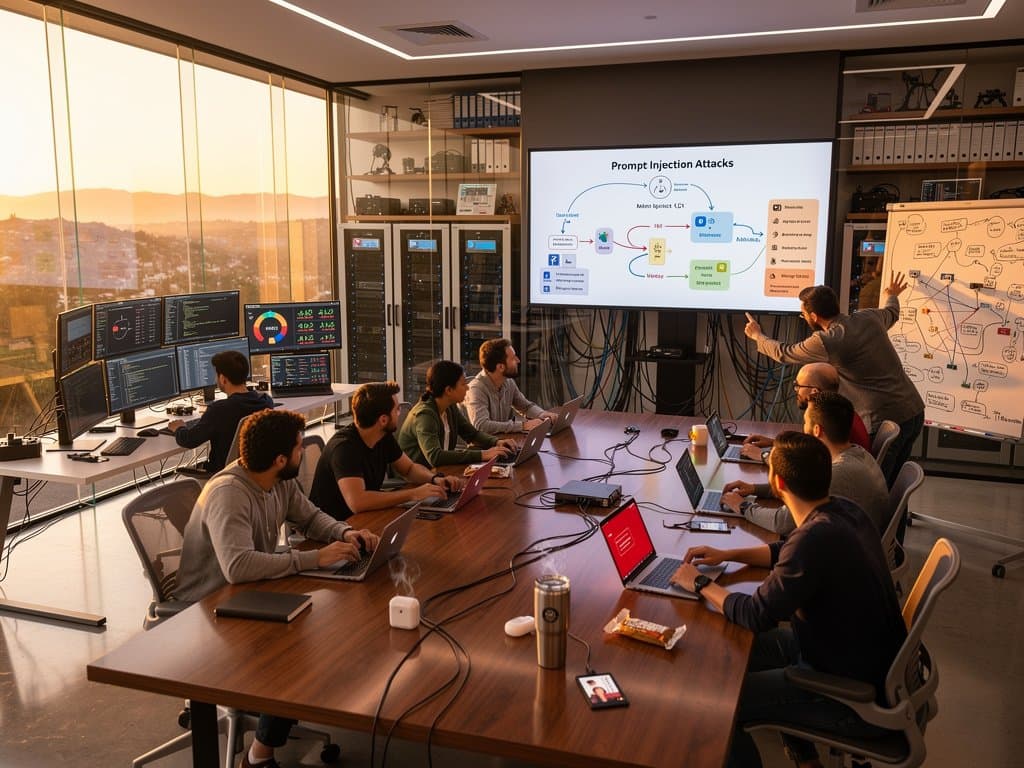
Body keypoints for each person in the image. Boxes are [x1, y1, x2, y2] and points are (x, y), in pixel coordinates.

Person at [670, 431, 906, 768]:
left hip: (847, 698)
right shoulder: (843, 510)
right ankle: (806, 757)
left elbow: (755, 613)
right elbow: (786, 550)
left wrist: (700, 584)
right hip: (852, 660)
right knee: (733, 648)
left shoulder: (814, 538)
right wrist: (728, 553)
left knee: (719, 703)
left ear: (777, 482)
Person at [174, 409, 380, 768]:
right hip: (210, 604)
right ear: (281, 458)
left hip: (252, 590)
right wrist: (312, 560)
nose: (303, 453)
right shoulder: (229, 493)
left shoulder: (279, 479)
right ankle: (258, 756)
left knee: (330, 626)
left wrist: (345, 533)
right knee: (294, 654)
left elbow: (310, 516)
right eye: (300, 447)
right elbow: (237, 567)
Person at [744, 273, 924, 485]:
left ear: (813, 316)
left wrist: (757, 336)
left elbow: (785, 352)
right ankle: (896, 519)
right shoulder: (869, 317)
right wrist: (891, 294)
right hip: (913, 410)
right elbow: (891, 312)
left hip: (883, 417)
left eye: (803, 315)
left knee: (878, 488)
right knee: (892, 488)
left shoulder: (828, 340)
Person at [723, 391, 890, 536]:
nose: (803, 428)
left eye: (805, 422)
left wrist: (743, 507)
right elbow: (801, 486)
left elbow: (782, 522)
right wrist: (754, 489)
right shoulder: (857, 453)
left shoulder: (838, 472)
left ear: (817, 430)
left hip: (852, 562)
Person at [309, 381, 465, 521]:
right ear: (383, 420)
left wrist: (435, 479)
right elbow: (358, 502)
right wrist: (412, 494)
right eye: (397, 410)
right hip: (335, 528)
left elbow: (409, 469)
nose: (399, 414)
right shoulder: (344, 448)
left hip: (364, 520)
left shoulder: (382, 436)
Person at [166, 350, 273, 473]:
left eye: (216, 375)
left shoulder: (220, 409)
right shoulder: (266, 401)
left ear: (222, 379)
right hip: (255, 472)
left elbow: (189, 440)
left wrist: (179, 428)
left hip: (223, 477)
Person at [398, 360, 518, 467]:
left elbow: (472, 434)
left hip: (440, 472)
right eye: (463, 384)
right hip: (416, 481)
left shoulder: (449, 407)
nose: (467, 388)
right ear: (449, 390)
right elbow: (435, 457)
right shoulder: (425, 415)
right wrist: (482, 455)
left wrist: (497, 442)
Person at [739, 362, 869, 457]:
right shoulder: (841, 411)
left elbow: (805, 466)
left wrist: (763, 456)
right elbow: (809, 447)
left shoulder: (828, 422)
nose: (796, 390)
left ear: (814, 392)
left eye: (798, 385)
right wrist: (775, 443)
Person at [465, 338, 558, 433]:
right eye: (513, 358)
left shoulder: (508, 382)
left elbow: (525, 407)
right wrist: (523, 426)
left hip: (501, 441)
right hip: (481, 446)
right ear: (500, 367)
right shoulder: (476, 389)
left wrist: (542, 414)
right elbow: (482, 425)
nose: (518, 360)